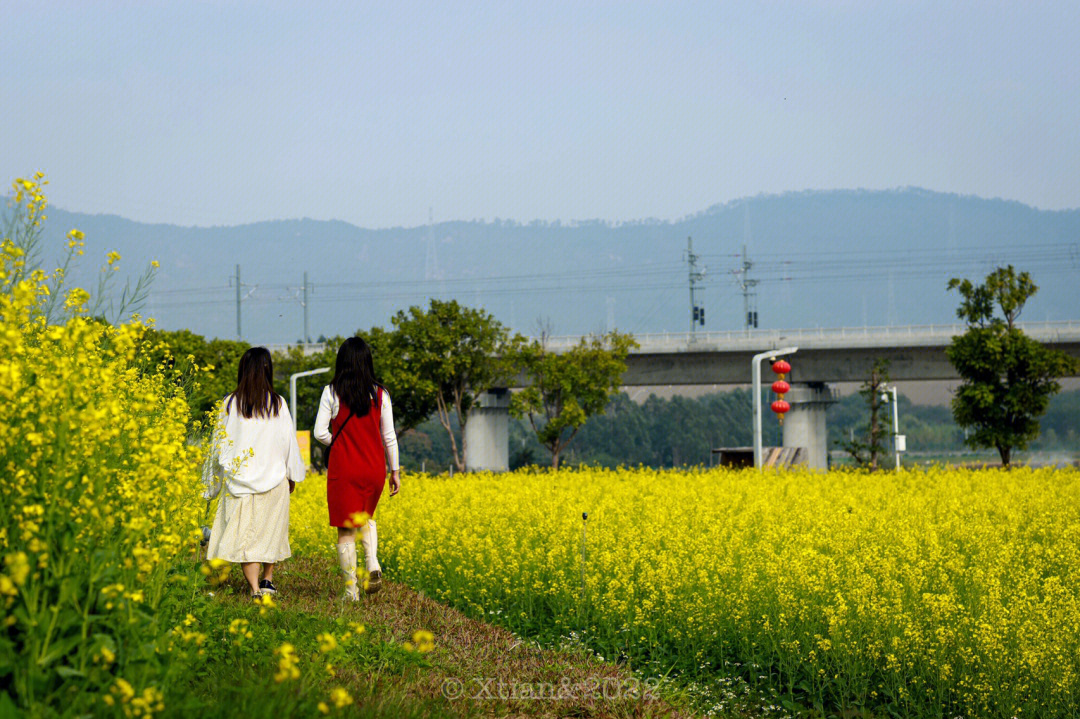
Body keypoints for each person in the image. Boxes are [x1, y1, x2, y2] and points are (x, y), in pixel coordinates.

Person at [204, 347, 305, 598]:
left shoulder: (229, 403)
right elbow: (288, 441)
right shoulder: (277, 403)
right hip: (274, 480)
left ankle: (254, 588)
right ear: (268, 370)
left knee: (245, 538)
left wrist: (210, 484)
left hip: (238, 483)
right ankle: (267, 580)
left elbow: (217, 444)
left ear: (243, 370)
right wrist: (292, 474)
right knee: (271, 532)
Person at [314, 337, 400, 600]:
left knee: (345, 529)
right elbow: (390, 437)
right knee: (366, 517)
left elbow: (319, 433)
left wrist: (338, 443)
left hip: (345, 468)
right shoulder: (380, 394)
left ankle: (351, 592)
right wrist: (394, 471)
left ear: (342, 362)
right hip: (374, 467)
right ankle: (372, 563)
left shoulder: (331, 391)